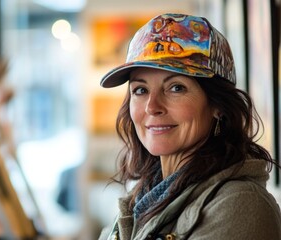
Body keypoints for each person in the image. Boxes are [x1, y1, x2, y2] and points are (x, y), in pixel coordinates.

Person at [98, 13, 281, 240]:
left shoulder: (240, 203)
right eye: (140, 90)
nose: (152, 107)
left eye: (176, 88)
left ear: (218, 105)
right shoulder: (145, 197)